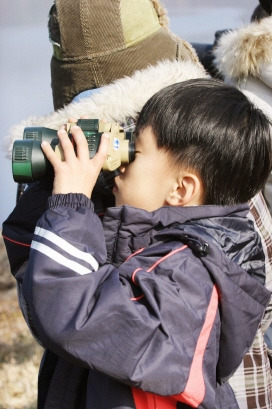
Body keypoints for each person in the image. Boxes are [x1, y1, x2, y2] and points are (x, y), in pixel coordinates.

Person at [3, 78, 272, 409]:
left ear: (181, 190)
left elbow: (74, 314)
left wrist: (72, 201)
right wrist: (60, 179)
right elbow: (36, 263)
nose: (124, 161)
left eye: (136, 151)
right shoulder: (151, 242)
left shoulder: (190, 282)